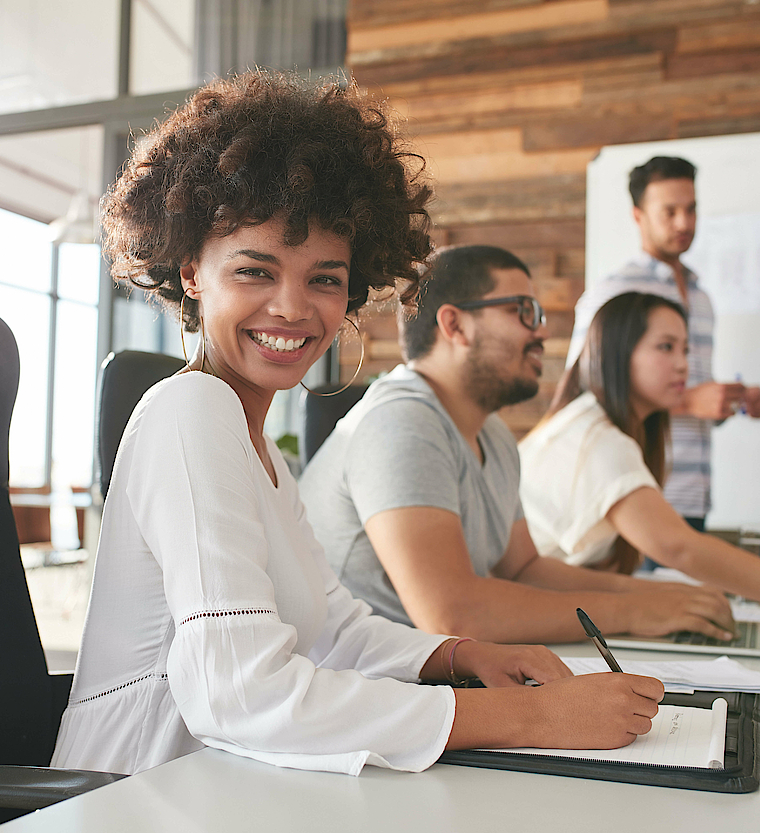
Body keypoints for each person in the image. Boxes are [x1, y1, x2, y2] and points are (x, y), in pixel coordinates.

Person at [51, 72, 663, 779]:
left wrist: (459, 654)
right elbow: (240, 691)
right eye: (255, 270)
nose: (292, 307)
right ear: (192, 272)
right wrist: (535, 717)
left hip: (225, 787)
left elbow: (333, 625)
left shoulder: (260, 448)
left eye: (324, 278)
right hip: (133, 800)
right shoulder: (192, 412)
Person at [299, 245, 733, 645]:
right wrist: (633, 610)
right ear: (455, 325)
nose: (542, 329)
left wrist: (660, 597)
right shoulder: (400, 422)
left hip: (429, 679)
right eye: (523, 311)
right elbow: (452, 616)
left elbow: (524, 571)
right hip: (366, 692)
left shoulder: (494, 436)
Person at [520, 291, 760, 600]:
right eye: (666, 347)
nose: (682, 365)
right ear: (618, 352)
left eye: (685, 350)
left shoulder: (602, 423)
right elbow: (679, 548)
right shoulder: (598, 438)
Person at [566, 155, 760, 534]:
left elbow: (678, 388)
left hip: (695, 497)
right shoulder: (615, 292)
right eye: (669, 211)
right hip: (635, 492)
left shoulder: (702, 297)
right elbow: (583, 390)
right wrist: (688, 400)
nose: (684, 223)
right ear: (638, 215)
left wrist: (727, 401)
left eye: (691, 209)